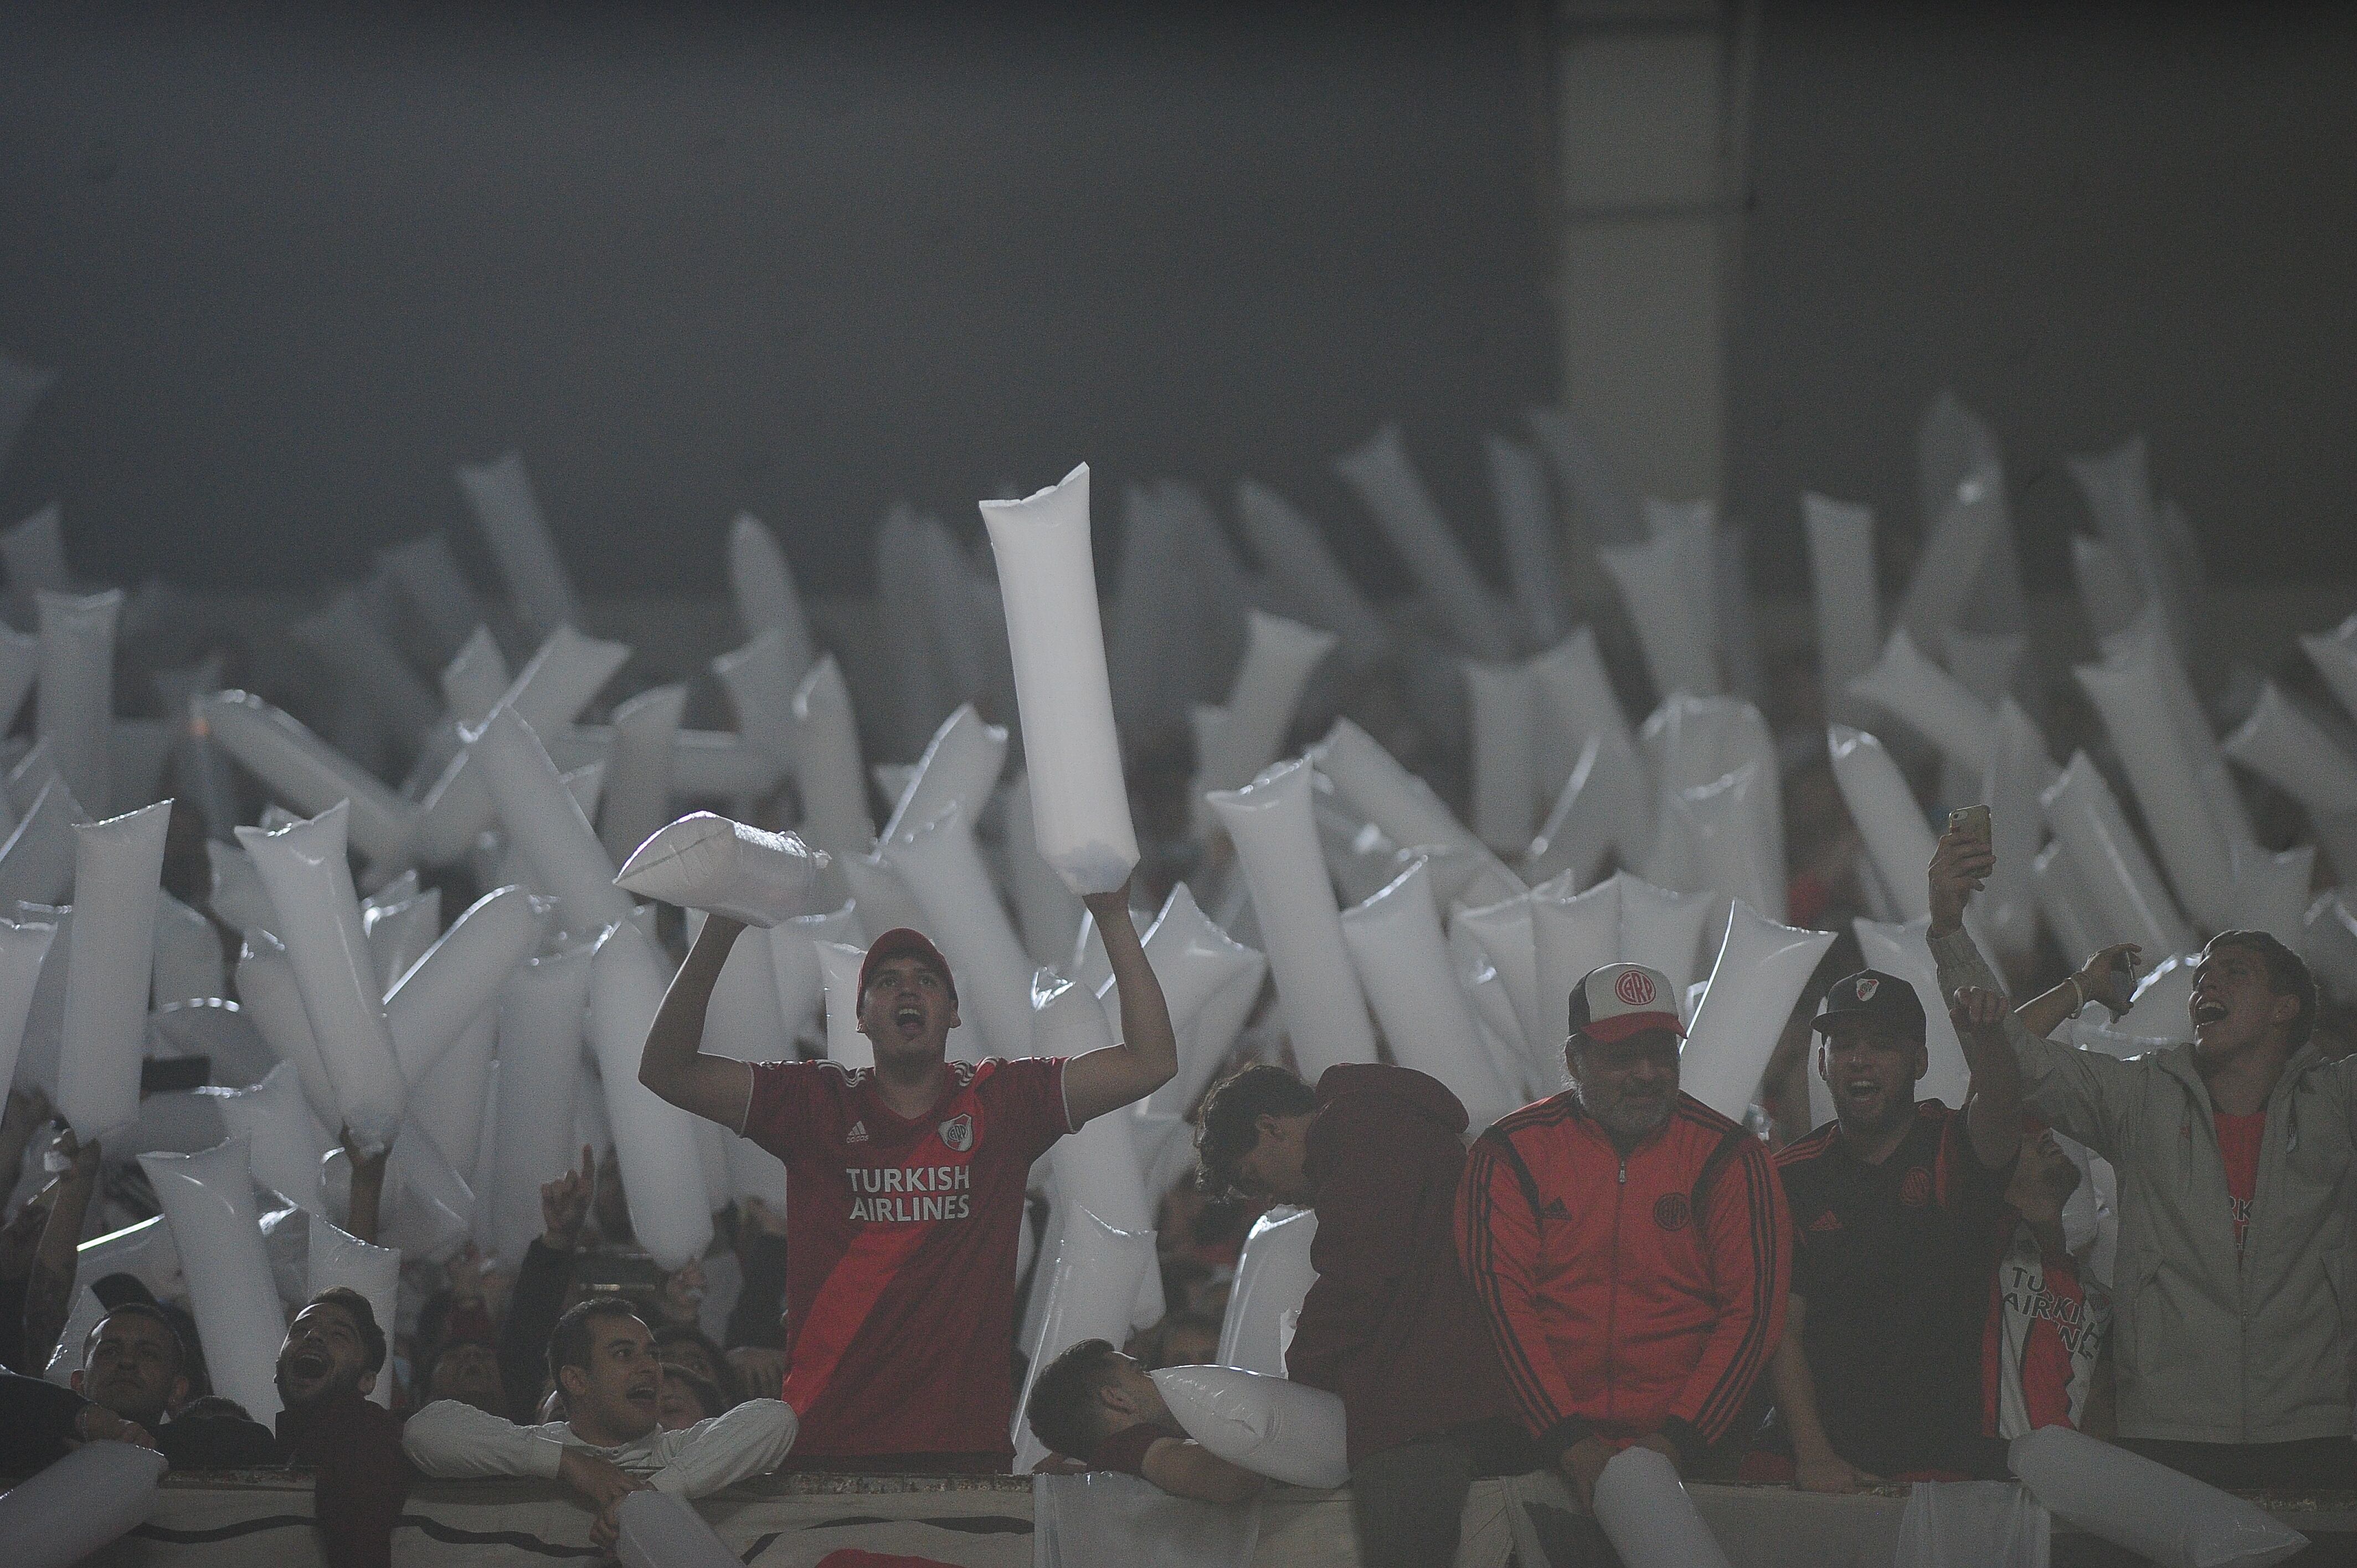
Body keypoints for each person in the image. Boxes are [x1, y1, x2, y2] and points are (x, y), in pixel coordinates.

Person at [635, 879, 1179, 1469]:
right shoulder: (812, 1102)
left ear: (952, 1011)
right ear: (860, 1017)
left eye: (926, 981)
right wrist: (720, 926)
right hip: (826, 1438)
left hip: (961, 1443)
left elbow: (1149, 1061)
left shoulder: (1005, 1101)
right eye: (886, 981)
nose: (907, 991)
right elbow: (667, 1069)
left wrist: (1113, 916)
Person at [1929, 820, 2357, 1490]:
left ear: (2284, 1009)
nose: (2204, 985)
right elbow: (2012, 1059)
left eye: (2233, 974)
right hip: (2170, 1426)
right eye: (2202, 976)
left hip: (2310, 1426)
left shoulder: (2336, 1105)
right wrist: (1949, 927)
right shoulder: (2139, 1097)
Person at [1457, 963, 1788, 1530]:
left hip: (1695, 1446)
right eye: (1621, 1056)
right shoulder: (1510, 1153)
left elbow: (1753, 1312)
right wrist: (1567, 1439)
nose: (1646, 1074)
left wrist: (1678, 1440)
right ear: (1574, 1060)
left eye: (1663, 1053)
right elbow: (1499, 1309)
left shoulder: (1729, 1155)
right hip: (1538, 1444)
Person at [1193, 1061, 1526, 1568]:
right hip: (1467, 1392)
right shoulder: (1387, 1122)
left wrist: (1300, 1385)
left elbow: (1359, 1273)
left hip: (1422, 1407)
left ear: (1270, 1126)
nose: (1272, 1196)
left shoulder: (1360, 1130)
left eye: (1254, 1175)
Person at [1762, 971, 2019, 1490]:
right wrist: (1815, 1457)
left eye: (1882, 1045)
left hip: (1949, 1457)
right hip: (1831, 1455)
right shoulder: (1792, 1175)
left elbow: (2002, 1114)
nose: (1860, 1059)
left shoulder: (1951, 1145)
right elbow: (1782, 1329)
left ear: (1920, 1062)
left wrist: (1989, 1038)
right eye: (1844, 1045)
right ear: (1821, 1062)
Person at [404, 1298, 797, 1550]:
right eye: (624, 1354)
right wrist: (570, 1465)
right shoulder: (537, 1445)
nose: (650, 1368)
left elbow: (775, 1420)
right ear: (576, 1380)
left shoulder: (680, 1451)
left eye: (652, 1354)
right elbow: (423, 1433)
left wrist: (648, 1497)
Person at [1983, 1122, 2112, 1440]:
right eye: (2025, 1130)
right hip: (1998, 1474)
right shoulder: (1986, 1259)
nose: (2045, 1133)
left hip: (2072, 1479)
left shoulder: (2100, 1305)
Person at [272, 1287, 414, 1568]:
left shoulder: (365, 1435)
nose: (313, 1336)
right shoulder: (283, 1446)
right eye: (300, 1330)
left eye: (339, 1335)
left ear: (366, 1381)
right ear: (277, 1369)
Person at [1023, 1338, 1262, 1503]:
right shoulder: (1130, 1446)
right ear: (1116, 1398)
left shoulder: (1110, 1461)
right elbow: (1228, 1479)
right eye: (1141, 1372)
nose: (1157, 1379)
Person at [75, 1302, 278, 1467]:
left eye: (148, 1354)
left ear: (177, 1390)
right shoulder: (46, 1447)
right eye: (110, 1351)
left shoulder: (234, 1445)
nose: (127, 1362)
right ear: (79, 1383)